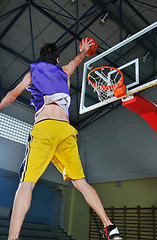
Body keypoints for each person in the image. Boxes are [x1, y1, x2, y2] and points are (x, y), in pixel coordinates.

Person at [0, 38, 122, 240]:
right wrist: (83, 50)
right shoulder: (65, 70)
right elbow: (77, 59)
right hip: (66, 131)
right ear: (57, 60)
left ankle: (13, 238)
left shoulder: (33, 73)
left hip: (45, 127)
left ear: (42, 59)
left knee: (27, 183)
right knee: (81, 182)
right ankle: (110, 227)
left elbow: (13, 95)